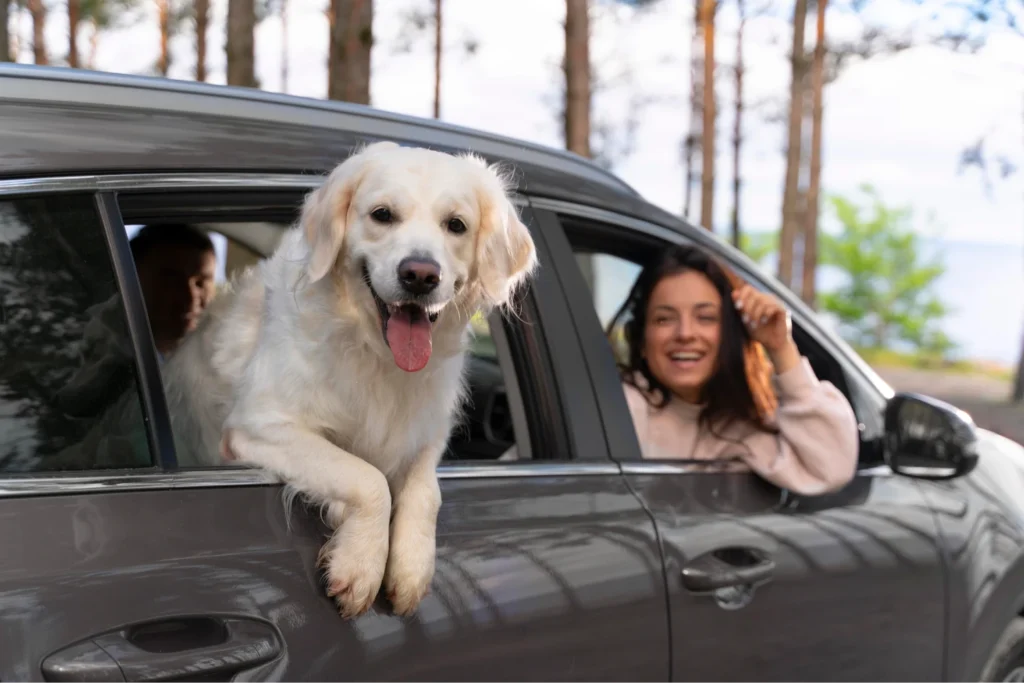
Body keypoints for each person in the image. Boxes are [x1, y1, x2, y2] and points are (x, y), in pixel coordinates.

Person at [610, 244, 858, 496]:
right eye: (664, 319)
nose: (685, 333)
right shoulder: (620, 408)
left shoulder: (740, 426)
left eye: (706, 317)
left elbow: (831, 469)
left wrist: (781, 349)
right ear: (641, 340)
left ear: (730, 334)